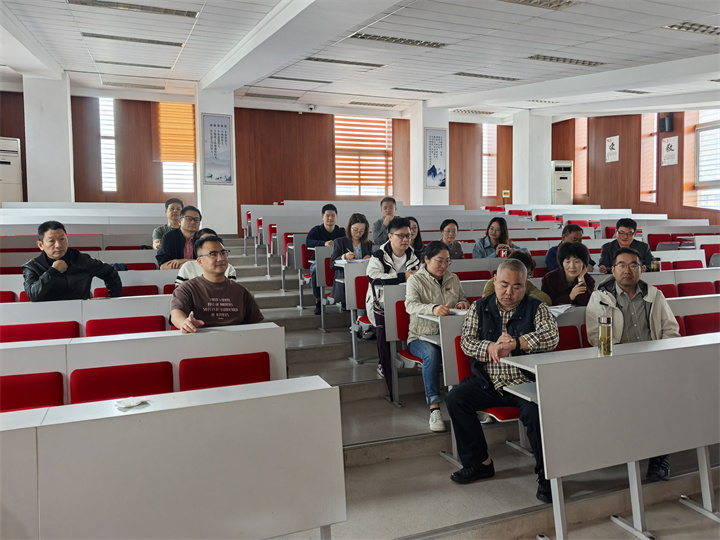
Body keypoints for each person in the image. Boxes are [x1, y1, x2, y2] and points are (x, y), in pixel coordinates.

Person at [446, 258, 559, 503]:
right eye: (504, 285)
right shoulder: (479, 307)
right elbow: (467, 342)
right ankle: (479, 463)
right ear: (494, 281)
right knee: (456, 398)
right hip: (488, 381)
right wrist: (491, 347)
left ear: (525, 284)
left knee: (535, 412)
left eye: (517, 286)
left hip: (525, 383)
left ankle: (547, 476)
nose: (509, 292)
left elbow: (551, 337)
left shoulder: (537, 308)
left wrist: (515, 344)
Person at [586, 247, 680, 482]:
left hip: (653, 362)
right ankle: (629, 450)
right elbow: (597, 337)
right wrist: (623, 363)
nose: (627, 270)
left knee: (663, 396)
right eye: (622, 265)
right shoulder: (600, 297)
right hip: (618, 365)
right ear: (613, 269)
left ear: (642, 268)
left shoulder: (654, 295)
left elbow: (670, 329)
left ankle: (659, 456)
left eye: (633, 265)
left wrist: (662, 357)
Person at [405, 241, 470, 432]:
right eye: (439, 261)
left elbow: (462, 298)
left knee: (472, 349)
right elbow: (410, 305)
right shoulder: (416, 280)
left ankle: (470, 402)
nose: (444, 265)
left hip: (449, 334)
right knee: (431, 355)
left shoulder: (453, 278)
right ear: (426, 259)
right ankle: (434, 407)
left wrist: (463, 304)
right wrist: (433, 308)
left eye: (447, 261)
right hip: (421, 336)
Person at [366, 217, 422, 387]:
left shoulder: (414, 255)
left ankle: (419, 356)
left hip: (407, 300)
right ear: (390, 236)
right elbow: (374, 278)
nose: (405, 239)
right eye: (401, 236)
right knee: (385, 325)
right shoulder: (378, 255)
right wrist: (402, 277)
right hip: (381, 302)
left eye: (408, 235)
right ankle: (384, 362)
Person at [170, 235, 263, 333]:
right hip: (200, 339)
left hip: (236, 339)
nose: (221, 258)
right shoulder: (187, 289)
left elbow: (255, 323)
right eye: (213, 254)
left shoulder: (241, 291)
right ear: (200, 261)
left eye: (223, 253)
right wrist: (184, 323)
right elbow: (176, 314)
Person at [22, 220, 122, 302]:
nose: (58, 245)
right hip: (50, 315)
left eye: (62, 239)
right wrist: (53, 271)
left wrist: (114, 299)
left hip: (83, 313)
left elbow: (110, 272)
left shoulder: (82, 259)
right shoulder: (32, 267)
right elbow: (33, 295)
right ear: (40, 245)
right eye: (51, 241)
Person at [306, 204, 346, 315]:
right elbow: (308, 242)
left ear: (336, 217)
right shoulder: (316, 230)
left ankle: (344, 300)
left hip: (337, 262)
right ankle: (318, 301)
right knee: (315, 269)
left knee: (346, 269)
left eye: (333, 215)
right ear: (322, 217)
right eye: (327, 215)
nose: (330, 218)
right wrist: (324, 243)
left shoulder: (341, 231)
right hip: (318, 262)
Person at [330, 213, 373, 310]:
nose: (358, 233)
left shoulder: (367, 243)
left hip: (363, 278)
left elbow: (372, 258)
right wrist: (344, 256)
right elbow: (332, 264)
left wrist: (370, 257)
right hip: (346, 281)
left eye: (362, 231)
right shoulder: (340, 242)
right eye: (355, 230)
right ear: (349, 228)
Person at [482, 250, 551, 306]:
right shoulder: (492, 283)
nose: (526, 277)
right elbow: (487, 303)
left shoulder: (527, 284)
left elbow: (545, 298)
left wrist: (522, 301)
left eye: (528, 274)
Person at [541, 242, 595, 306]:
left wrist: (581, 280)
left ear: (584, 264)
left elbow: (589, 304)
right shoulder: (549, 278)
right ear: (562, 263)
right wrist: (569, 297)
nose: (572, 266)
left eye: (576, 262)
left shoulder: (588, 280)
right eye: (567, 262)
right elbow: (546, 303)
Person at [156, 205, 202, 270]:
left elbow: (207, 262)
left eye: (196, 220)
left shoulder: (202, 238)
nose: (193, 222)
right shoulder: (169, 237)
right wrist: (191, 265)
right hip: (174, 275)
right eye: (189, 219)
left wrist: (182, 261)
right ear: (180, 221)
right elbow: (163, 266)